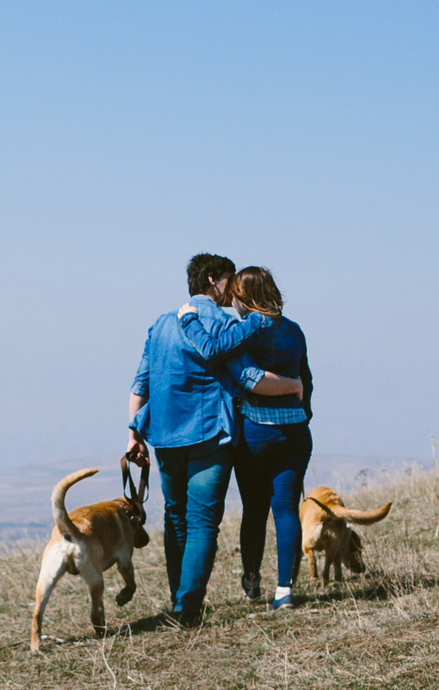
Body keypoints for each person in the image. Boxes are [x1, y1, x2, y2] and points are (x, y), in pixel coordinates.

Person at [127, 252, 306, 624]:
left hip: (164, 437)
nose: (234, 289)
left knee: (175, 516)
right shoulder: (224, 325)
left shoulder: (160, 324)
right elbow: (246, 375)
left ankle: (178, 598)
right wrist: (294, 387)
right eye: (229, 279)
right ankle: (187, 608)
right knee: (202, 522)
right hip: (210, 436)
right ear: (213, 280)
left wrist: (134, 435)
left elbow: (141, 383)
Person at [222, 266, 313, 611]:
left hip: (257, 431)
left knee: (254, 510)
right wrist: (302, 411)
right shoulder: (294, 330)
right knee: (287, 508)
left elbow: (247, 377)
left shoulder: (248, 328)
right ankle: (284, 590)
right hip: (295, 430)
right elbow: (307, 379)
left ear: (244, 296)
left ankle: (252, 580)